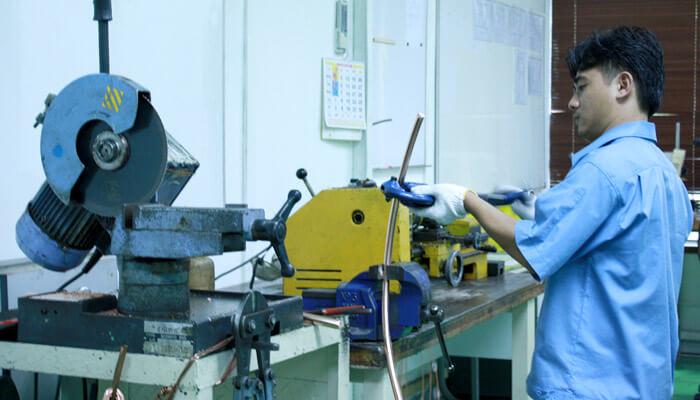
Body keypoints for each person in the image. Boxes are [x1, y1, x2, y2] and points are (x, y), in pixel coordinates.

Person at [403, 26, 693, 399]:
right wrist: (542, 212)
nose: (571, 102)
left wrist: (466, 201)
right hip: (644, 384)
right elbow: (618, 249)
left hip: (588, 386)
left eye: (581, 87)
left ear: (623, 85)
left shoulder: (603, 170)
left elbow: (533, 249)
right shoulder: (665, 175)